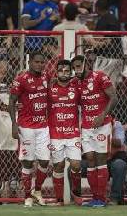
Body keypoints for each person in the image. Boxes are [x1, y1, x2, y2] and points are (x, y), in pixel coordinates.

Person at [71, 54, 118, 207]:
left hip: (103, 125)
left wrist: (102, 115)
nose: (76, 70)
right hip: (86, 127)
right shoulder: (76, 83)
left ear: (86, 64)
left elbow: (114, 98)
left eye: (78, 66)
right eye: (74, 67)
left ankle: (101, 198)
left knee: (100, 160)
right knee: (90, 158)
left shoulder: (100, 76)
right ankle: (95, 198)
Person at [9, 51, 50, 207]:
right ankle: (27, 196)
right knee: (28, 162)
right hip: (26, 127)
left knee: (45, 161)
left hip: (43, 126)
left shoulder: (47, 77)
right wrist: (14, 124)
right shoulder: (21, 80)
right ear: (30, 62)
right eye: (37, 62)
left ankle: (37, 191)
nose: (40, 65)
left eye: (42, 62)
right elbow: (12, 101)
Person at [48, 60, 82, 205]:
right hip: (55, 134)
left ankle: (75, 193)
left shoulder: (76, 88)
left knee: (76, 165)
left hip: (72, 133)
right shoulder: (49, 89)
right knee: (59, 165)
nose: (64, 73)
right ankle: (59, 199)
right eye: (61, 70)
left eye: (67, 71)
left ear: (71, 72)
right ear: (56, 72)